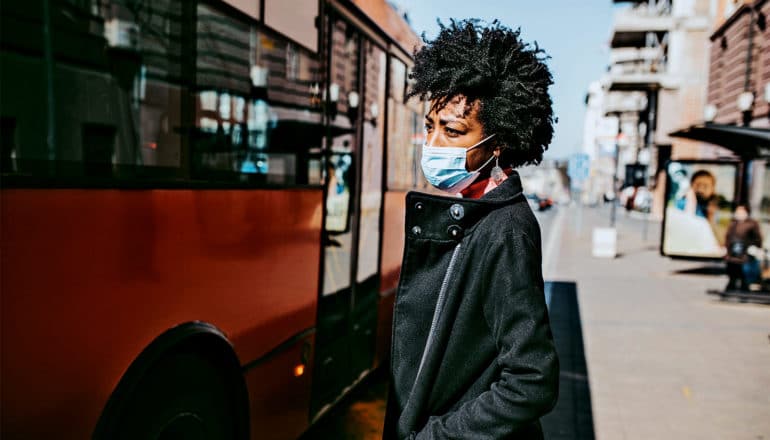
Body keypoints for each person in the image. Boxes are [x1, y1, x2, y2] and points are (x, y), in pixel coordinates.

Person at [383, 20, 559, 440]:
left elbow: (531, 380)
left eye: (454, 130)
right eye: (431, 126)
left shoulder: (505, 229)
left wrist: (437, 436)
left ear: (497, 142)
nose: (434, 143)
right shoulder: (469, 213)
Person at [724, 204, 763, 291]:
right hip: (733, 252)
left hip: (745, 253)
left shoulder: (752, 224)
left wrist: (755, 247)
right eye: (738, 211)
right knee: (732, 271)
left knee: (743, 273)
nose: (739, 213)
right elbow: (728, 237)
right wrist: (726, 249)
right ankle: (731, 285)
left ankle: (744, 287)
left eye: (741, 211)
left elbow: (758, 238)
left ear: (746, 212)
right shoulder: (733, 223)